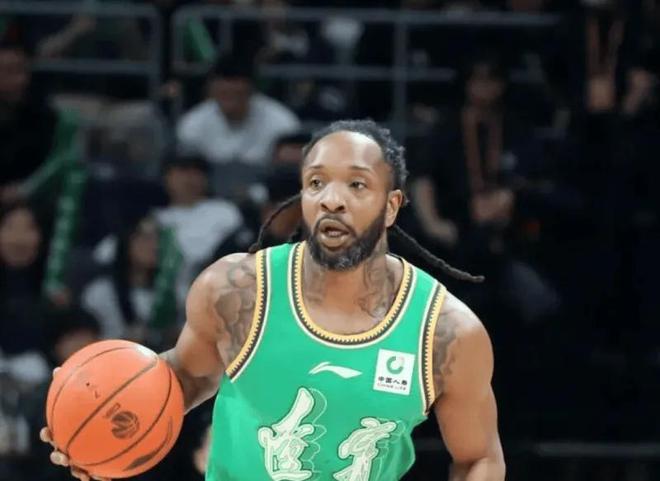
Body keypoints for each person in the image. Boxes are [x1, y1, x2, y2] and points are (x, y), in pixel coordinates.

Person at [42, 119, 506, 481]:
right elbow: (185, 377)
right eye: (316, 183)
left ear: (391, 205)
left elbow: (479, 457)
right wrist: (94, 429)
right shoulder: (236, 290)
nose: (332, 200)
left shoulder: (446, 332)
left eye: (357, 185)